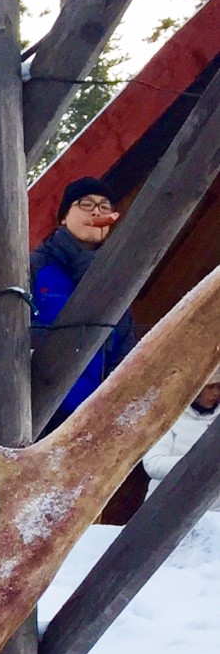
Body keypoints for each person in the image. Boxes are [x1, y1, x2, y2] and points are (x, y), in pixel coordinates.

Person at [30, 176, 135, 421]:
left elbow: (125, 340)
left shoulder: (116, 277)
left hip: (96, 415)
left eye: (105, 207)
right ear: (64, 216)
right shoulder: (34, 267)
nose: (96, 211)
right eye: (86, 204)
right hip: (38, 413)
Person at [143, 371, 220, 489]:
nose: (216, 393)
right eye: (210, 387)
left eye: (219, 387)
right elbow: (154, 465)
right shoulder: (167, 418)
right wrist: (201, 462)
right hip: (168, 503)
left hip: (214, 506)